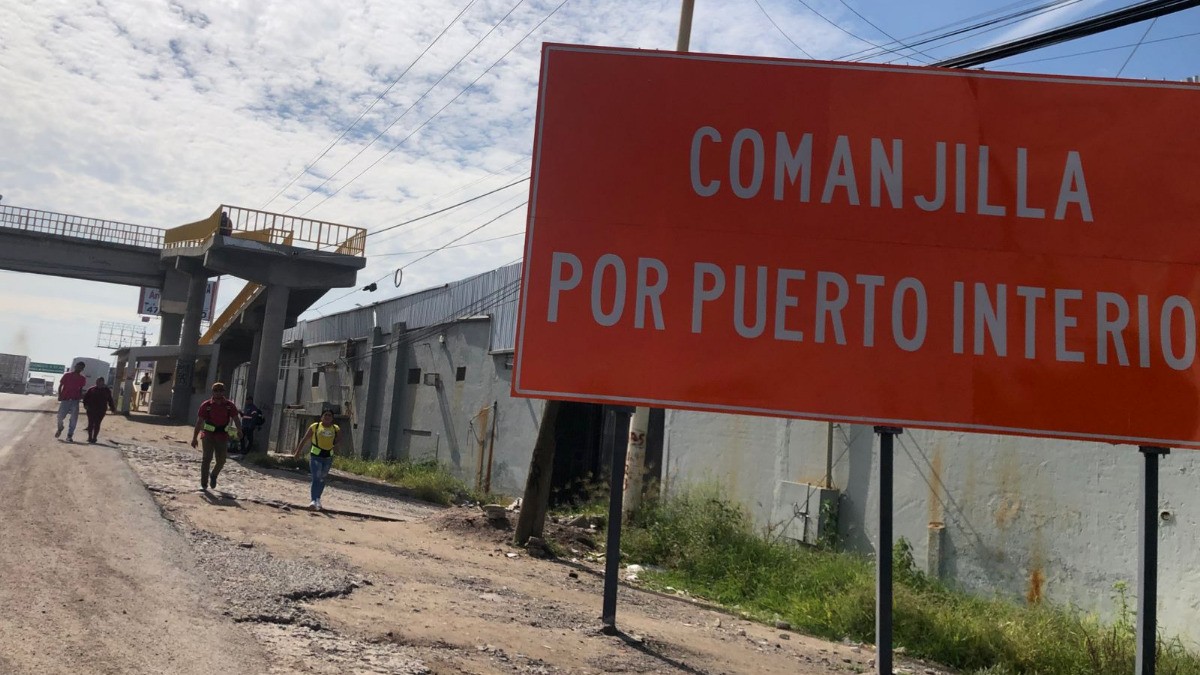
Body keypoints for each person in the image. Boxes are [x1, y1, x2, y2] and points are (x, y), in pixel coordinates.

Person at [190, 382, 241, 492]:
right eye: (216, 390)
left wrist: (239, 430)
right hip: (208, 435)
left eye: (220, 390)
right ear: (212, 392)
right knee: (206, 459)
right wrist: (194, 438)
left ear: (223, 392)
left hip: (222, 436)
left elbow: (236, 418)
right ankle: (203, 484)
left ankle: (214, 475)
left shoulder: (229, 405)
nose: (218, 393)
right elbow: (199, 422)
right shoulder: (206, 405)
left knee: (222, 460)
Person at [292, 410, 339, 511]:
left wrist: (335, 448)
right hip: (316, 456)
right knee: (316, 477)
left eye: (329, 415)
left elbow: (338, 440)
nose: (327, 417)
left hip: (328, 457)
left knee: (322, 478)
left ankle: (318, 498)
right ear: (321, 417)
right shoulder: (315, 426)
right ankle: (313, 500)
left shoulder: (335, 429)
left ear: (332, 418)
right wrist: (297, 452)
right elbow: (304, 439)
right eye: (325, 415)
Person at [55, 362, 87, 442]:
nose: (79, 368)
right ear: (75, 366)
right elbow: (61, 385)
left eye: (81, 367)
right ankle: (60, 427)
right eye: (78, 366)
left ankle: (69, 435)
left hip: (75, 400)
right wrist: (60, 395)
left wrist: (80, 397)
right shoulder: (67, 375)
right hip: (65, 399)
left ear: (82, 369)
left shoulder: (82, 378)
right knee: (59, 417)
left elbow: (80, 389)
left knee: (73, 419)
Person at [82, 377, 117, 444]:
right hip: (91, 409)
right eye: (97, 381)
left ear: (103, 382)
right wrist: (85, 405)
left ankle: (94, 438)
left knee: (97, 424)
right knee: (91, 423)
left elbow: (110, 400)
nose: (98, 383)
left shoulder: (106, 390)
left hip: (101, 410)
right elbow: (85, 398)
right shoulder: (91, 389)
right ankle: (89, 437)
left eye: (100, 381)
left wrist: (113, 408)